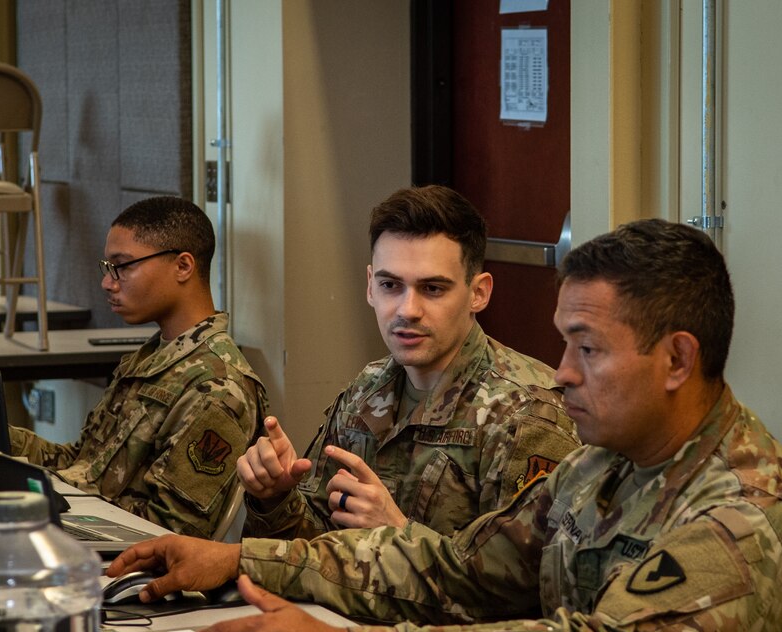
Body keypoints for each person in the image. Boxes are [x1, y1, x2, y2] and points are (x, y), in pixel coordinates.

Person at [109, 219, 782, 632]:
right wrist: (237, 555)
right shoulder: (602, 466)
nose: (560, 374)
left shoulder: (750, 514)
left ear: (678, 359)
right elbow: (453, 569)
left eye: (586, 349)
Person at [240, 185, 579, 539]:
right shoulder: (366, 390)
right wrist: (275, 497)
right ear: (371, 286)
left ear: (478, 293)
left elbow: (527, 582)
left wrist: (400, 534)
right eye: (391, 285)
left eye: (433, 289)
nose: (407, 310)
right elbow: (316, 546)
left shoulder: (527, 415)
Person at [9, 196, 267, 539]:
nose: (108, 282)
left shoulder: (218, 387)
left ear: (183, 267)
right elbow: (81, 462)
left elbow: (171, 532)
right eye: (108, 266)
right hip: (77, 530)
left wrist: (52, 508)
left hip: (119, 565)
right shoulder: (150, 358)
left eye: (123, 266)